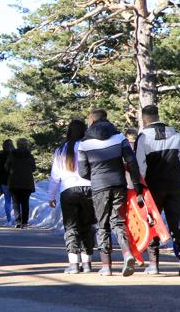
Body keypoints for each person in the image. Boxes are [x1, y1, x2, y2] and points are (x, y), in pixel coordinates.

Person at [78, 109, 140, 277]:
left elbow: (82, 172)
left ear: (91, 122)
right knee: (118, 221)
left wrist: (96, 176)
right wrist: (136, 185)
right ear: (106, 119)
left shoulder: (84, 143)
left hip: (99, 186)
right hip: (118, 183)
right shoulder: (119, 137)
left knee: (102, 225)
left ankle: (106, 266)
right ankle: (127, 253)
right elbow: (131, 161)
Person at [135, 105, 180, 276]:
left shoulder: (144, 137)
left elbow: (140, 166)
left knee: (153, 221)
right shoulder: (175, 133)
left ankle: (153, 264)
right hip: (174, 185)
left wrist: (140, 186)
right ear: (158, 115)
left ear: (144, 118)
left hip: (153, 187)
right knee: (176, 221)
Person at [48, 119, 95, 274]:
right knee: (87, 226)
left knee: (71, 227)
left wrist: (51, 196)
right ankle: (87, 263)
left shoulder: (61, 149)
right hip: (89, 188)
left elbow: (55, 176)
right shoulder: (88, 146)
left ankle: (74, 264)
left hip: (68, 190)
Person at [5, 138, 36, 229]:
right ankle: (25, 222)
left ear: (17, 145)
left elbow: (6, 166)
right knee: (25, 203)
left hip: (14, 181)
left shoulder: (12, 155)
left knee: (16, 203)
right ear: (26, 145)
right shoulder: (29, 155)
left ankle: (18, 221)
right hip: (27, 182)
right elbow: (33, 168)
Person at [0, 139, 15, 226]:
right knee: (16, 201)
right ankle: (17, 218)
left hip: (4, 181)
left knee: (7, 200)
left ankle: (9, 219)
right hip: (15, 181)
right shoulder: (15, 154)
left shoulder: (1, 155)